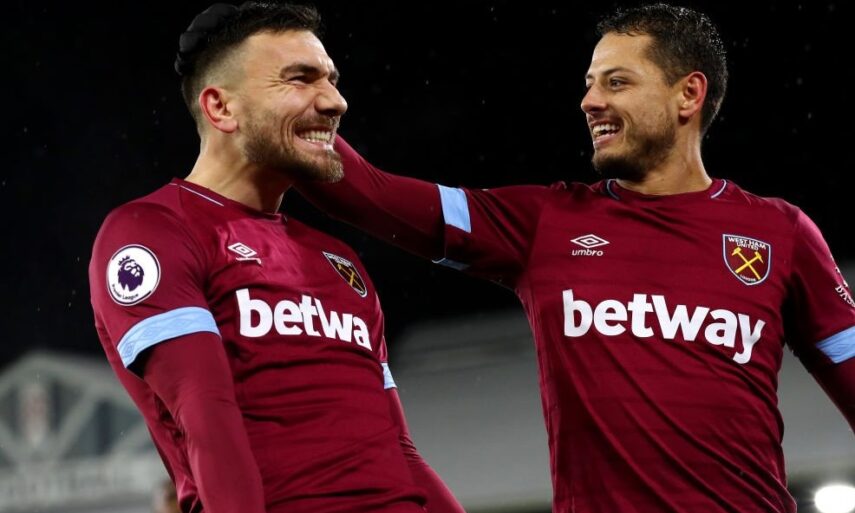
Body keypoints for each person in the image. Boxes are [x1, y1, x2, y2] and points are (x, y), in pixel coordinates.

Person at [297, 4, 855, 513]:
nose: (590, 102)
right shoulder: (542, 224)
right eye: (590, 85)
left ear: (688, 94)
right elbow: (364, 192)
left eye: (617, 82)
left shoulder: (779, 233)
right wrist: (290, 105)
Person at [88, 3, 463, 513]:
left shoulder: (337, 259)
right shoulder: (152, 232)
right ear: (221, 108)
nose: (335, 101)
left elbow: (400, 450)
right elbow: (206, 419)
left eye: (331, 80)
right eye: (300, 79)